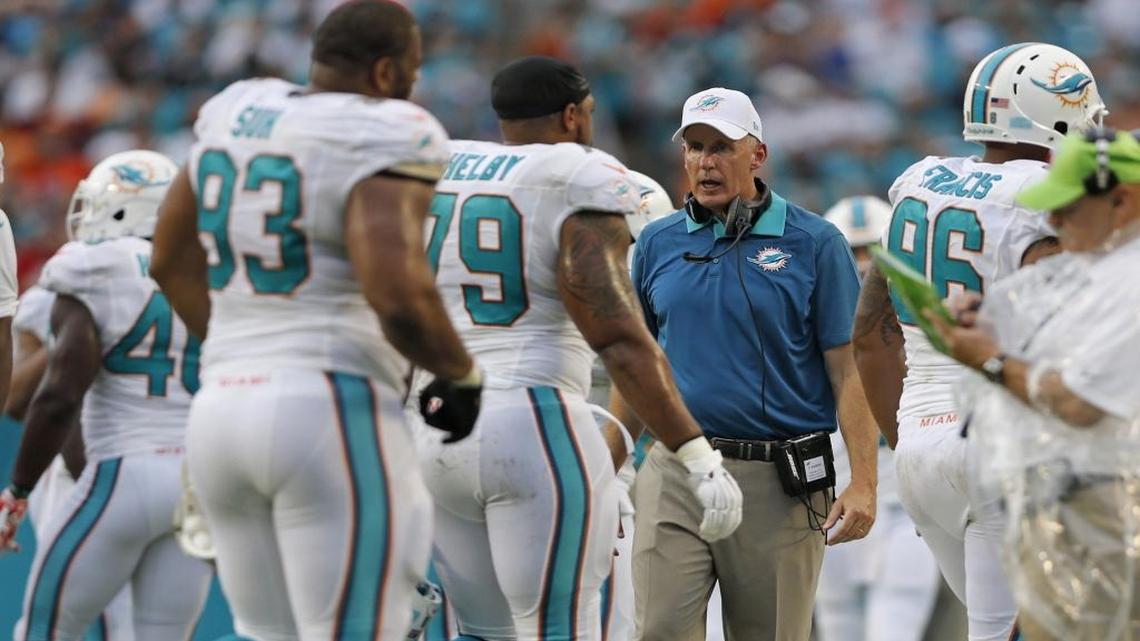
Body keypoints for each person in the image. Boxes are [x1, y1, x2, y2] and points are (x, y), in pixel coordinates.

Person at [148, 2, 483, 638]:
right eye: (411, 69)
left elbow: (167, 259)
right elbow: (397, 294)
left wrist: (233, 347)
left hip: (220, 411)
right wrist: (460, 374)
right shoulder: (386, 130)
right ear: (386, 72)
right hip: (328, 407)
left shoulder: (237, 110)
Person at [418, 56, 742, 641]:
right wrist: (692, 453)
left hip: (440, 425)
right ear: (572, 114)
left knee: (480, 632)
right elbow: (624, 336)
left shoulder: (445, 165)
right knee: (565, 628)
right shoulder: (585, 174)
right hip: (537, 422)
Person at [851, 43, 1106, 641]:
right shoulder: (1048, 196)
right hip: (1006, 445)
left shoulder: (917, 183)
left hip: (918, 446)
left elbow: (868, 335)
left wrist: (908, 441)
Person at [629, 86, 878, 641]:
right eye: (694, 147)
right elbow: (636, 362)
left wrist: (864, 481)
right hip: (677, 470)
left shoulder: (816, 242)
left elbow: (847, 368)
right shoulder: (656, 242)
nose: (704, 161)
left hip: (779, 480)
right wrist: (613, 460)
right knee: (659, 631)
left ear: (757, 155)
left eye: (720, 146)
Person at [927, 129, 1140, 641]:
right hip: (1073, 510)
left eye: (1067, 206)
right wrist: (988, 330)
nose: (1054, 221)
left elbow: (1078, 403)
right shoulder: (1100, 272)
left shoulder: (1132, 282)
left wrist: (990, 360)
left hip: (1111, 515)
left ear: (1122, 200)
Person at [0, 149, 213, 641]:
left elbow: (59, 396)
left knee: (45, 630)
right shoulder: (206, 272)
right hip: (193, 485)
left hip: (120, 473)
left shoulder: (94, 264)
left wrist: (17, 492)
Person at [815, 196, 942, 641]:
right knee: (838, 625)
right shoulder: (807, 322)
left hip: (906, 497)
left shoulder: (923, 321)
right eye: (852, 251)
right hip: (831, 492)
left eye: (873, 250)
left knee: (896, 627)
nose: (864, 263)